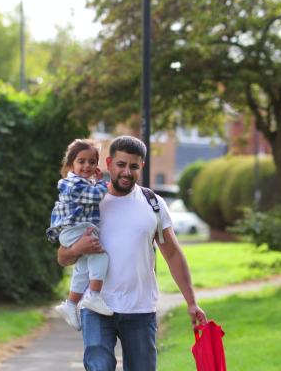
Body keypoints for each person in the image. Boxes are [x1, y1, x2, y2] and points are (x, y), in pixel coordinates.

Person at [57, 135, 207, 370]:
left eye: (133, 166)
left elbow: (174, 255)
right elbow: (63, 257)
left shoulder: (153, 204)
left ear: (142, 167)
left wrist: (191, 302)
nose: (127, 172)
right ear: (108, 163)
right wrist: (78, 248)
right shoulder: (89, 200)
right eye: (121, 165)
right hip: (96, 307)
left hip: (140, 309)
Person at [47, 139, 113, 331]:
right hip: (74, 231)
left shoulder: (84, 183)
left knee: (83, 268)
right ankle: (93, 295)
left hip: (76, 230)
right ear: (70, 165)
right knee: (100, 255)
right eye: (81, 161)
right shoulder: (72, 183)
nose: (87, 166)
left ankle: (70, 304)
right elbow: (95, 195)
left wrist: (97, 182)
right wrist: (103, 183)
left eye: (92, 162)